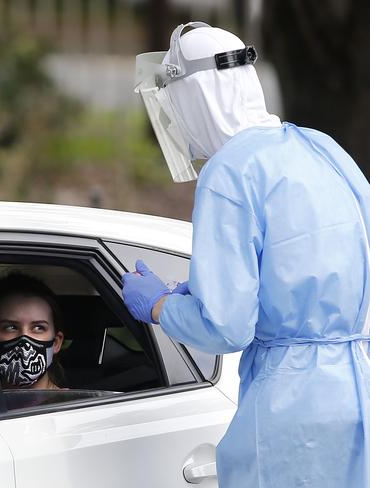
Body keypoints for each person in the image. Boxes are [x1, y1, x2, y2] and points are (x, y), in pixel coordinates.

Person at [122, 22, 370, 487]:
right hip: (358, 391)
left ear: (194, 97)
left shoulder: (229, 171)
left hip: (291, 411)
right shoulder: (323, 148)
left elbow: (228, 327)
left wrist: (160, 304)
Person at [0, 272, 65, 390]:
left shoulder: (79, 407)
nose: (24, 340)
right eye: (10, 327)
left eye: (38, 328)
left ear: (56, 343)